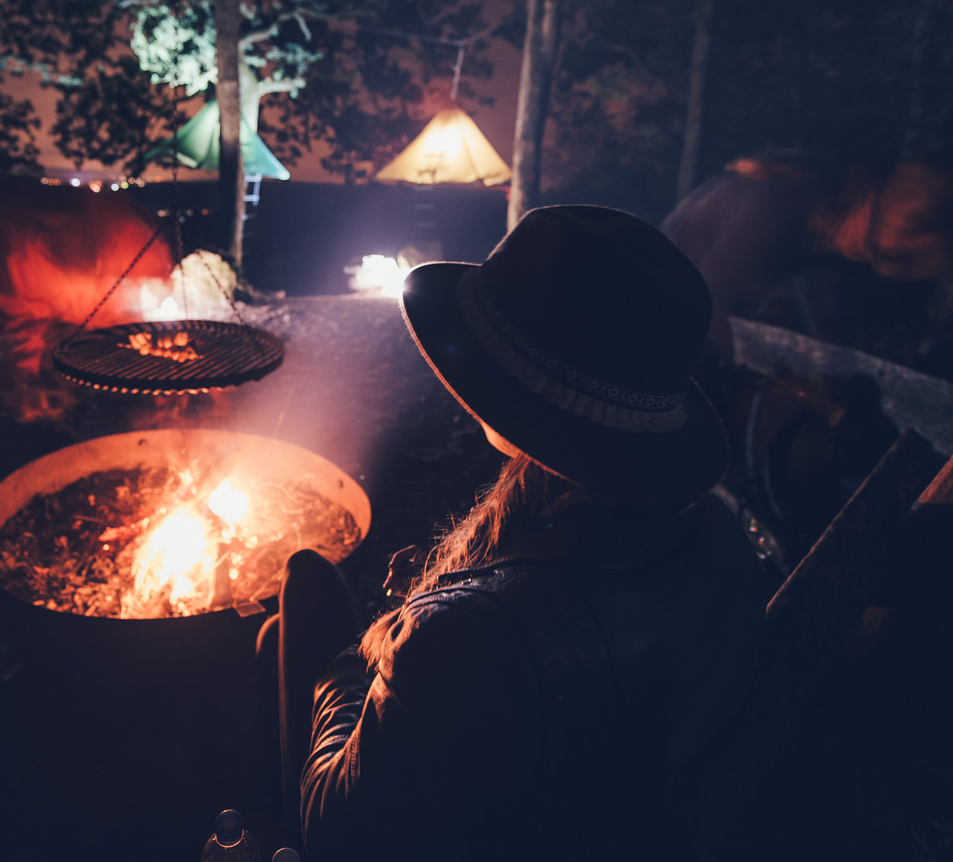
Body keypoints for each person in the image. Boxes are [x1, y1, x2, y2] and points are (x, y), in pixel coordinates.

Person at [258, 206, 771, 862]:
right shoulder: (722, 538)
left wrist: (380, 645)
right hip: (635, 822)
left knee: (297, 614)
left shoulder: (465, 636)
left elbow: (331, 831)